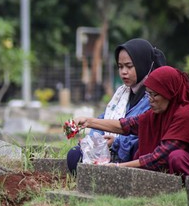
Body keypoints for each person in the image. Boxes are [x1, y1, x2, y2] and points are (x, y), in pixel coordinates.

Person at [73, 65, 189, 178]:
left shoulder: (187, 115)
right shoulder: (159, 113)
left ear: (170, 93)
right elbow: (127, 125)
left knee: (177, 157)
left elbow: (160, 157)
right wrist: (89, 122)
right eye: (148, 94)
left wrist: (116, 168)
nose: (150, 100)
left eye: (155, 95)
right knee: (141, 150)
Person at [66, 38, 166, 174]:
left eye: (129, 66)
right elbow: (105, 117)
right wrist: (93, 139)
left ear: (142, 64)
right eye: (120, 66)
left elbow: (144, 132)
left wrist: (116, 142)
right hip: (111, 147)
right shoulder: (123, 92)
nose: (124, 72)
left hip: (132, 153)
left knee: (79, 158)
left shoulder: (154, 97)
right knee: (75, 154)